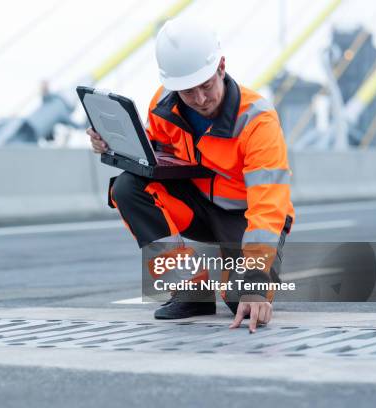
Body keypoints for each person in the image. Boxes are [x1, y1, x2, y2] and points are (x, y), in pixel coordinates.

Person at [87, 17, 295, 333]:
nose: (199, 100)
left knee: (242, 301)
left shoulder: (258, 120)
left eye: (206, 86)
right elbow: (153, 155)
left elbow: (268, 207)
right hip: (197, 207)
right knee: (128, 187)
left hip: (244, 216)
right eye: (187, 91)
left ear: (221, 67)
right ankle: (191, 288)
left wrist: (255, 281)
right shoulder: (164, 105)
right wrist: (113, 144)